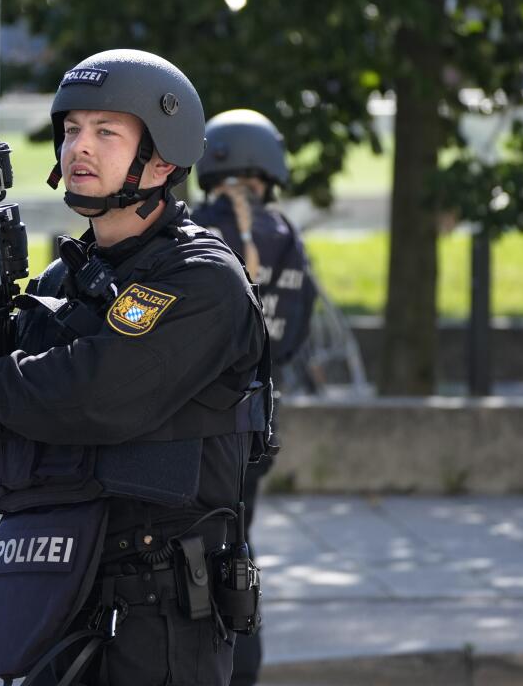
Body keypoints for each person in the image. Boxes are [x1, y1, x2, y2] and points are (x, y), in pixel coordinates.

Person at [0, 50, 273, 685]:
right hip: (59, 594)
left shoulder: (201, 279)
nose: (79, 147)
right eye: (72, 129)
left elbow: (103, 393)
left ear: (163, 159)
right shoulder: (67, 280)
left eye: (106, 132)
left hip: (161, 618)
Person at [191, 108, 318, 686]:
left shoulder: (190, 231)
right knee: (236, 549)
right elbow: (294, 337)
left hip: (191, 431)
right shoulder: (288, 239)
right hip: (256, 432)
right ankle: (242, 669)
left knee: (179, 558)